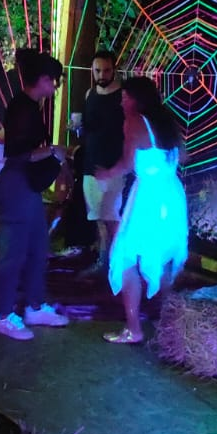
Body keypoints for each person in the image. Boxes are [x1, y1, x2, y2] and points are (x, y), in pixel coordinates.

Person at [95, 76, 188, 344]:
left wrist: (105, 173)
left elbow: (126, 164)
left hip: (148, 196)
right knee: (163, 258)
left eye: (125, 97)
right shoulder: (167, 122)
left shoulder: (135, 122)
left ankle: (134, 329)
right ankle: (170, 329)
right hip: (172, 195)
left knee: (125, 256)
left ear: (137, 99)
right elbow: (184, 157)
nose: (121, 102)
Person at [0, 49, 70, 340]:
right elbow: (17, 154)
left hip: (28, 187)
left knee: (38, 246)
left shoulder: (29, 106)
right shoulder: (22, 108)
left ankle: (34, 305)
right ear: (44, 79)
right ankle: (5, 314)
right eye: (55, 81)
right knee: (12, 253)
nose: (56, 87)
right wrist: (53, 151)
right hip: (17, 186)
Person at [78, 50, 125, 272]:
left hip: (114, 166)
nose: (102, 75)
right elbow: (88, 128)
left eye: (106, 70)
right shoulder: (90, 94)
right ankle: (102, 261)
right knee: (97, 217)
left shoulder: (123, 97)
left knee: (112, 218)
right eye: (97, 71)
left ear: (114, 70)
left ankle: (115, 265)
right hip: (91, 164)